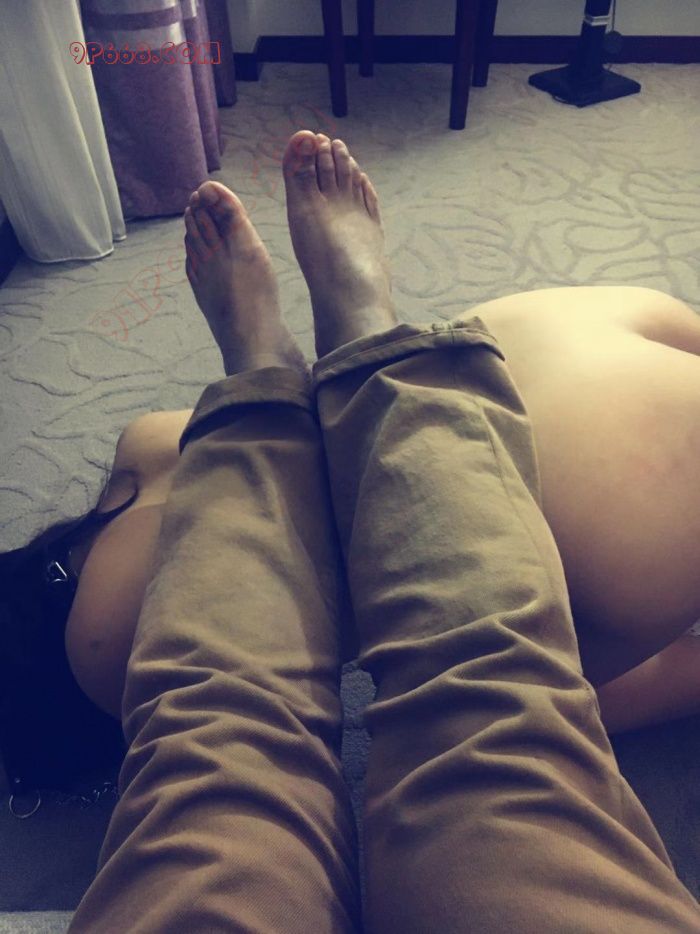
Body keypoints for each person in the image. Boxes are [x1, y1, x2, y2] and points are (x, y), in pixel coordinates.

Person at [6, 128, 700, 930]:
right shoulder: (143, 452)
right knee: (487, 705)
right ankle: (341, 356)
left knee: (247, 750)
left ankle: (295, 374)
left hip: (619, 476)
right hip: (563, 335)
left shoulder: (101, 650)